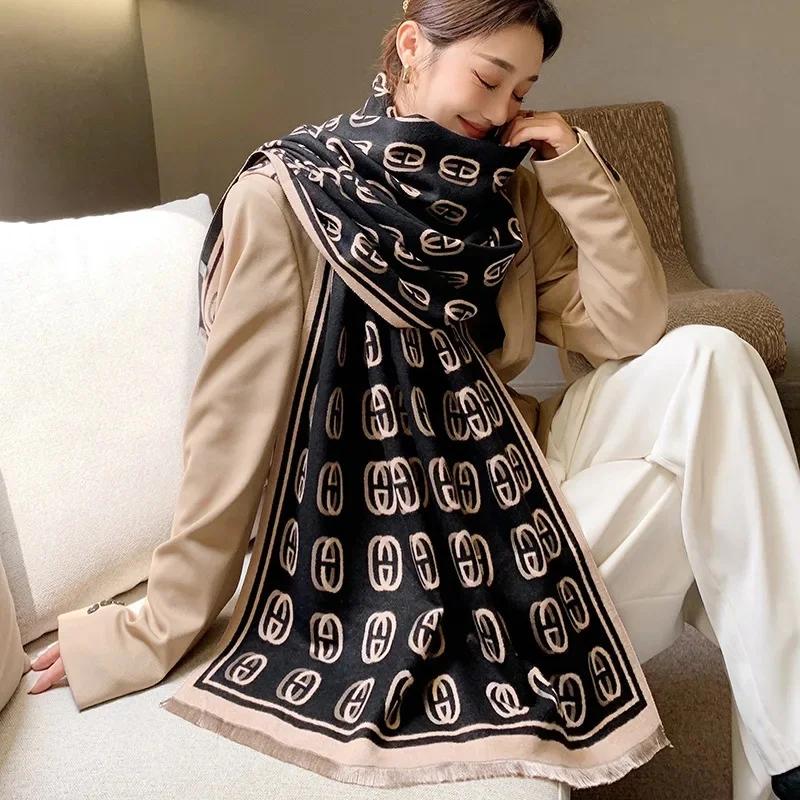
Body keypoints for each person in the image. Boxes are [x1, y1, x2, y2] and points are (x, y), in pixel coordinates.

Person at [28, 1, 799, 797]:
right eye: (489, 78)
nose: (500, 112)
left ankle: (792, 757)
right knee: (725, 498)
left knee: (715, 356)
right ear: (411, 46)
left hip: (522, 477)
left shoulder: (507, 190)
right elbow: (230, 433)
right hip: (392, 544)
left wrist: (576, 167)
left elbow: (628, 327)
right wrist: (155, 628)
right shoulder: (288, 197)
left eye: (523, 91)